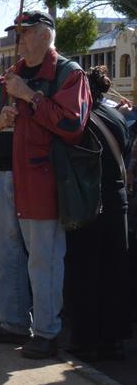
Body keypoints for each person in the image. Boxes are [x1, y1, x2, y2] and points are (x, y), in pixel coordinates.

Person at [0, 11, 91, 359]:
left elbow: (72, 124)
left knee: (44, 259)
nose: (18, 39)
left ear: (44, 35)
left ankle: (46, 332)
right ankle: (12, 323)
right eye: (17, 33)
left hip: (42, 179)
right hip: (2, 175)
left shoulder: (69, 74)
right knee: (4, 255)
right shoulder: (9, 76)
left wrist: (29, 97)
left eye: (25, 33)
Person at [63, 66, 131, 361]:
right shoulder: (117, 116)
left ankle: (85, 336)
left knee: (84, 269)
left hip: (87, 200)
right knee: (114, 269)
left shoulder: (81, 119)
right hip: (117, 199)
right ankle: (113, 337)